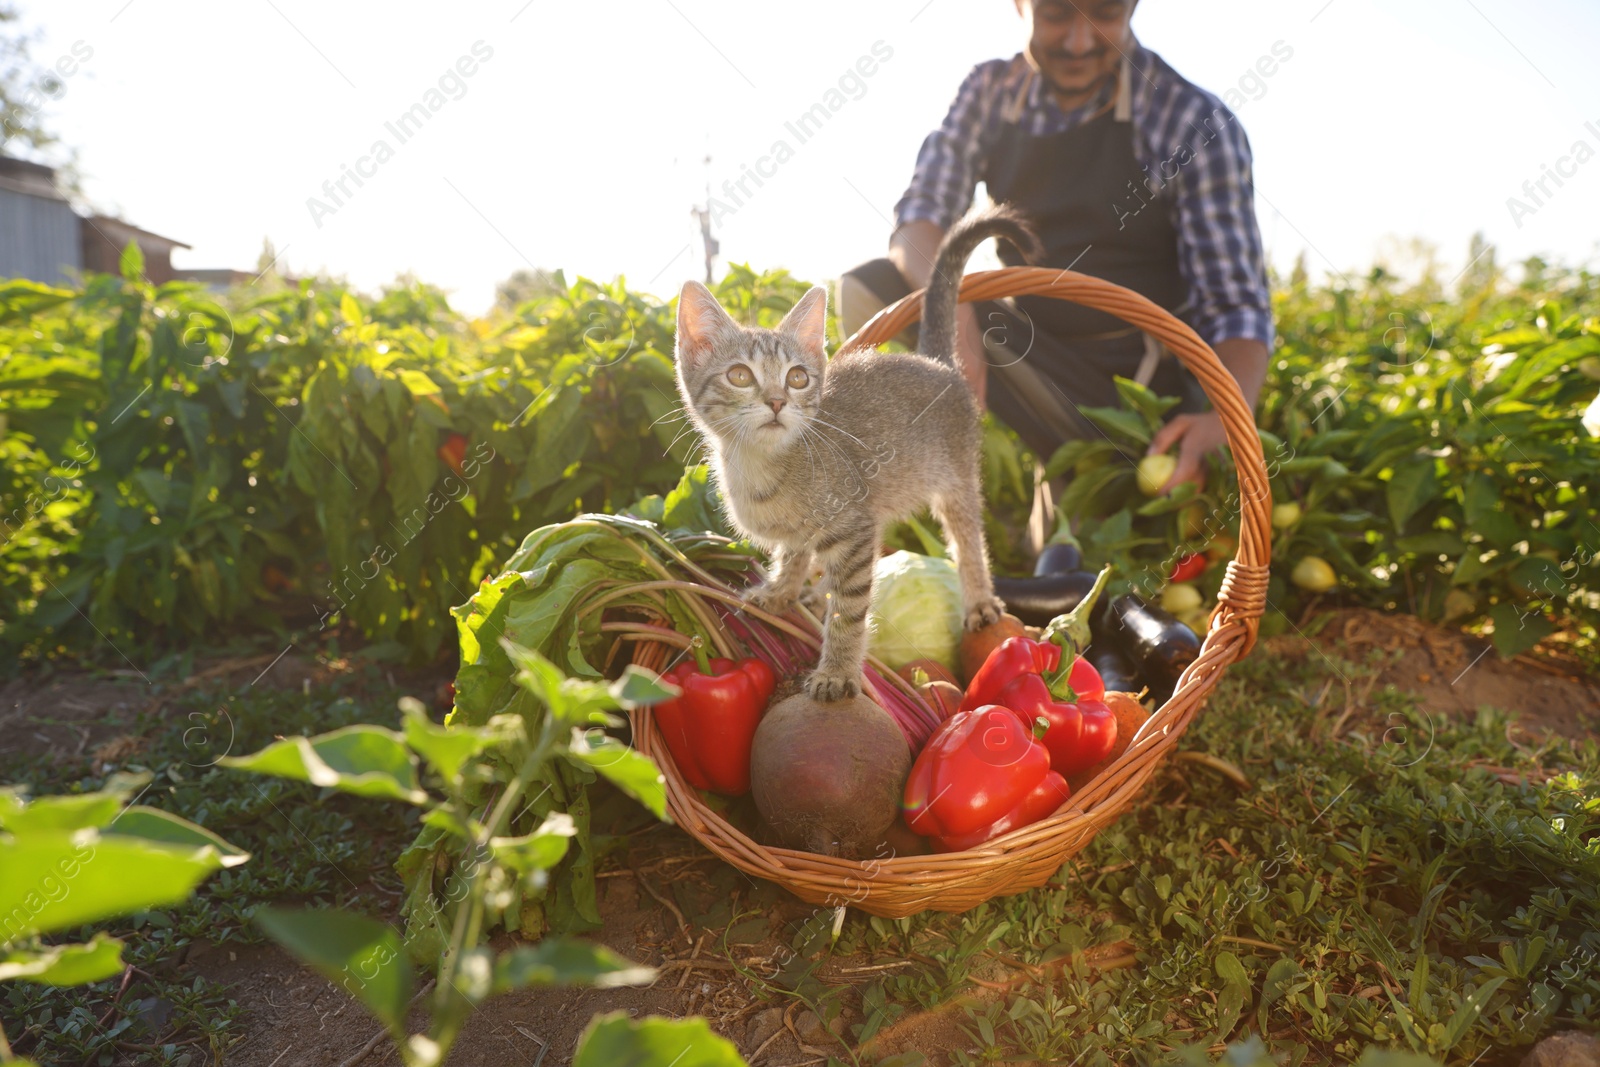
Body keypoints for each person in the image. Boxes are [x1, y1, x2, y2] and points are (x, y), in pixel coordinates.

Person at [839, 0, 1273, 505]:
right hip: (1025, 349)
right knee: (872, 287)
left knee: (1081, 552)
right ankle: (883, 501)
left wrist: (1225, 419)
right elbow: (921, 217)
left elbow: (1237, 307)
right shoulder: (991, 92)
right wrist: (952, 314)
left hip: (1131, 388)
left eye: (1105, 13)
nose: (1079, 42)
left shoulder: (1189, 121)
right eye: (1056, 13)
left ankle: (1079, 487)